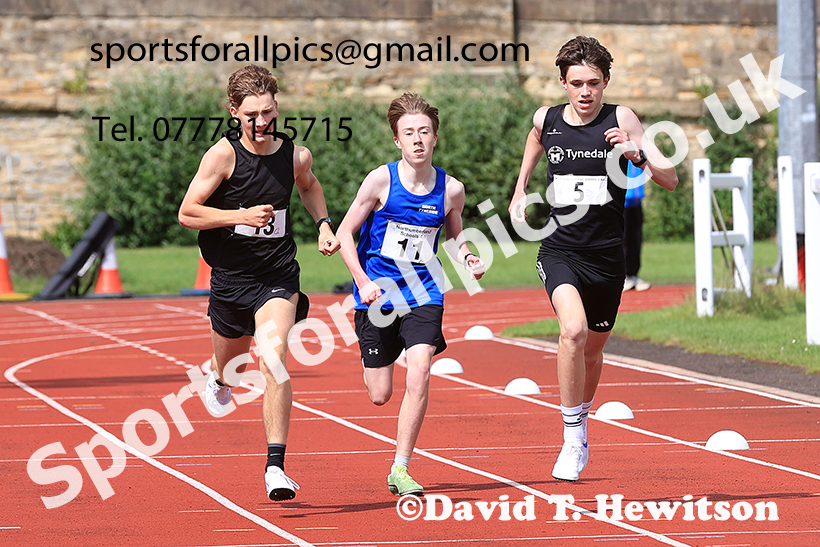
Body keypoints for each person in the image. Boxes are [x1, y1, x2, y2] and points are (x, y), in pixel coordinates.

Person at [508, 36, 677, 481]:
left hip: (607, 257)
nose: (586, 92)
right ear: (563, 83)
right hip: (559, 249)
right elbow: (535, 138)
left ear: (606, 82)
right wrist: (521, 187)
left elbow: (671, 178)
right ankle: (571, 436)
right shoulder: (546, 118)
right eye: (577, 83)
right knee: (573, 331)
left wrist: (638, 154)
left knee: (593, 350)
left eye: (594, 83)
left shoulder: (622, 118)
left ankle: (581, 421)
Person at [178, 64, 340, 500]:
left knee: (273, 358)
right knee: (231, 365)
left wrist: (324, 225)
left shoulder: (295, 156)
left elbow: (309, 186)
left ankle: (275, 468)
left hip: (277, 274)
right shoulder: (222, 156)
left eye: (268, 112)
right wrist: (239, 216)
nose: (262, 122)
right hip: (231, 279)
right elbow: (187, 213)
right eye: (252, 115)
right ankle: (219, 379)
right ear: (234, 112)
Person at [336, 92, 485, 496]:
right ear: (396, 140)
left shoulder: (451, 190)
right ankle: (373, 358)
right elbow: (345, 233)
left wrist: (468, 258)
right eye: (409, 133)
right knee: (380, 394)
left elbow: (454, 236)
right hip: (377, 297)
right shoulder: (380, 181)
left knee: (419, 369)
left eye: (424, 131)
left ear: (435, 137)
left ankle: (400, 468)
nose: (417, 139)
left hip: (424, 292)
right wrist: (361, 280)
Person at [623, 161, 651, 291]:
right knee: (622, 240)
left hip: (636, 201)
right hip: (621, 202)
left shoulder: (639, 153)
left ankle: (633, 274)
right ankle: (623, 275)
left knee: (636, 239)